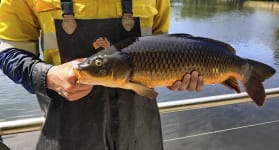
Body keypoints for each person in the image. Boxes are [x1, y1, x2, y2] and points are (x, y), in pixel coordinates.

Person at [0, 0, 204, 149]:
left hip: (141, 132)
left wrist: (174, 74)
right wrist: (47, 75)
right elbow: (8, 51)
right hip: (67, 134)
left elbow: (166, 49)